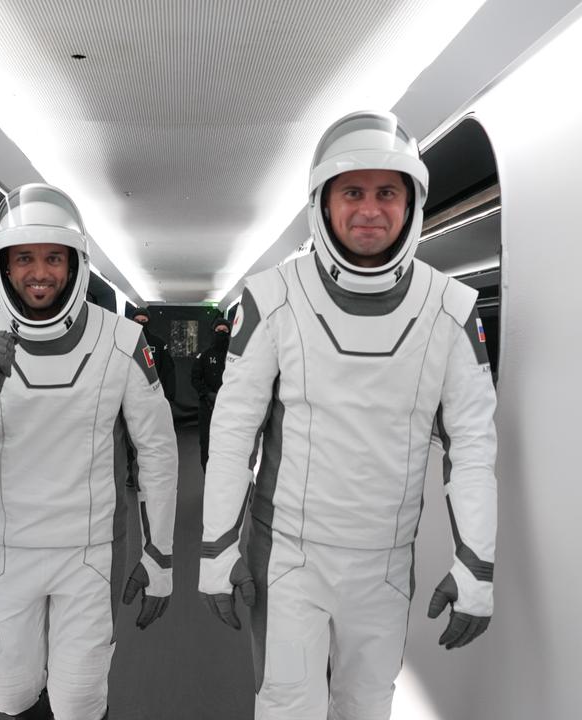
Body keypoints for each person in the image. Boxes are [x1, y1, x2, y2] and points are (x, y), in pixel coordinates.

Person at [199, 110, 498, 719]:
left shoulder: (452, 308)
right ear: (324, 203)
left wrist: (477, 567)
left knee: (367, 706)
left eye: (386, 192)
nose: (369, 208)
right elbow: (231, 435)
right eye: (352, 192)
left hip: (385, 561)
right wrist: (218, 549)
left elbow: (472, 448)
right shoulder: (271, 296)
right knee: (286, 707)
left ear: (411, 203)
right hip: (287, 555)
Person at [0, 184, 178, 720]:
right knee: (8, 693)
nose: (39, 272)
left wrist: (159, 559)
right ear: (4, 266)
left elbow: (157, 452)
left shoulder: (122, 342)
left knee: (80, 701)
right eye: (25, 259)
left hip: (90, 552)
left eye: (52, 258)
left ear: (74, 264)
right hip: (6, 549)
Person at [191, 316, 232, 470]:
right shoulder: (205, 355)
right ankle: (207, 473)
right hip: (208, 406)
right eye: (218, 330)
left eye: (225, 330)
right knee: (207, 442)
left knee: (228, 442)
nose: (221, 332)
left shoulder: (234, 356)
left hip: (230, 407)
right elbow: (195, 378)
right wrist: (207, 394)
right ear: (213, 332)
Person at [130, 307, 177, 403]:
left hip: (153, 391)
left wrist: (168, 395)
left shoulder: (158, 343)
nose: (140, 323)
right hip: (131, 392)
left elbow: (167, 370)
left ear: (148, 322)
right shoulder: (126, 342)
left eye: (143, 320)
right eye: (137, 320)